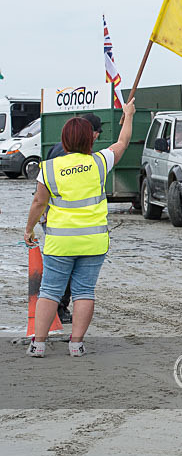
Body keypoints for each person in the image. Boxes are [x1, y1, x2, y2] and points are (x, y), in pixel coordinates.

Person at [24, 98, 136, 357]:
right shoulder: (99, 162)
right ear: (91, 139)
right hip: (93, 241)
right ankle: (76, 344)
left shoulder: (49, 168)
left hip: (60, 242)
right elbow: (122, 143)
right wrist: (128, 115)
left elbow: (39, 202)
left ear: (63, 139)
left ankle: (38, 344)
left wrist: (29, 228)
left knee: (50, 291)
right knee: (85, 291)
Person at [43, 113, 104, 325]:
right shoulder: (90, 160)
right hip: (78, 229)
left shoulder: (55, 150)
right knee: (78, 286)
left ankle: (39, 340)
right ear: (90, 134)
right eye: (96, 133)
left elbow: (41, 194)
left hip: (55, 223)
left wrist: (33, 223)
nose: (97, 137)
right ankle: (62, 312)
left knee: (51, 283)